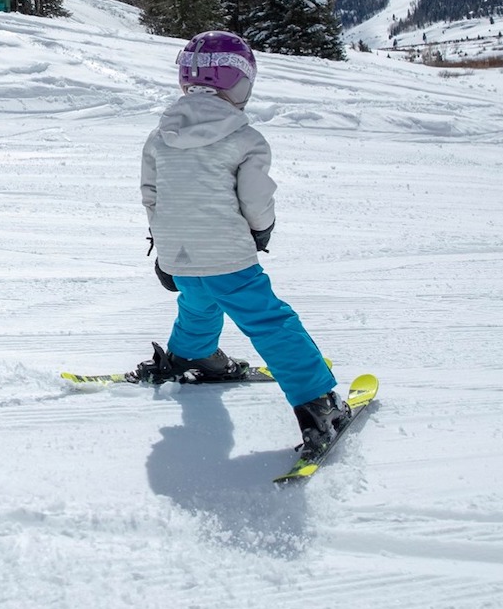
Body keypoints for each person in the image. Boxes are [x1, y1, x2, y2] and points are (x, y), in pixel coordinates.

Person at [138, 30, 350, 453]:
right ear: (239, 84)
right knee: (270, 322)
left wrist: (164, 249)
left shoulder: (161, 135)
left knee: (198, 299)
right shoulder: (245, 138)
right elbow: (256, 198)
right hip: (228, 255)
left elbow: (152, 195)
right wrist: (262, 229)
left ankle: (191, 355)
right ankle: (317, 402)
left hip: (178, 253)